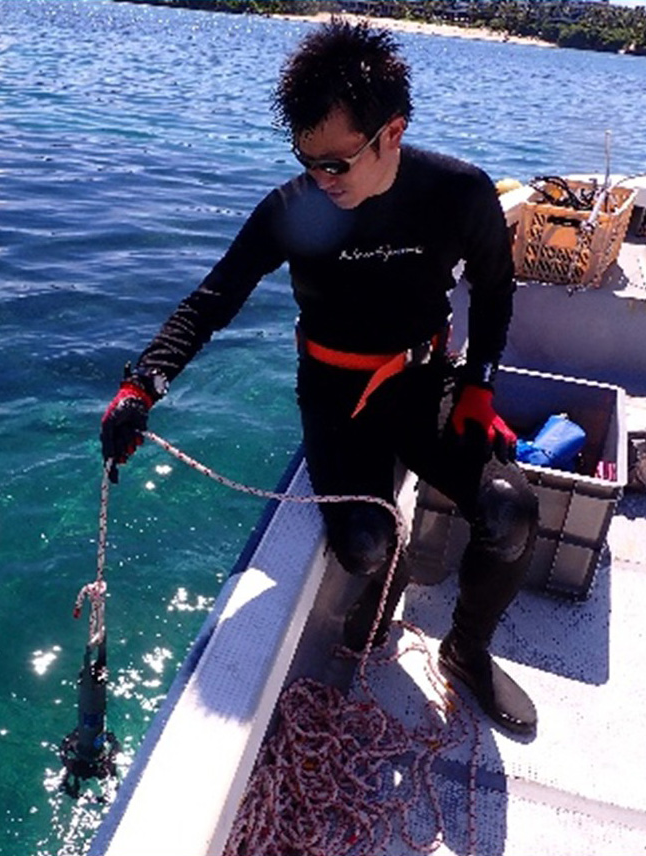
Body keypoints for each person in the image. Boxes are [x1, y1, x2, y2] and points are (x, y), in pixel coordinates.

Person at [99, 20, 539, 736]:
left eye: (336, 163)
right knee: (361, 544)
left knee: (510, 514)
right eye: (307, 161)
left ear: (391, 132)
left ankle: (466, 649)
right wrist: (142, 385)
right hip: (335, 398)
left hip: (428, 385)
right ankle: (383, 564)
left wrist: (481, 386)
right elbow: (213, 301)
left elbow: (495, 290)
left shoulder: (458, 193)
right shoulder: (294, 208)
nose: (320, 180)